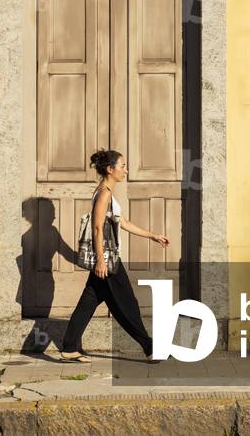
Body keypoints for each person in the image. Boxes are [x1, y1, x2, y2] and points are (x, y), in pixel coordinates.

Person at [59, 149, 170, 363]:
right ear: (111, 169)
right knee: (127, 305)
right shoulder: (104, 193)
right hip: (108, 260)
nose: (126, 170)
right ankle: (150, 348)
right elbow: (98, 228)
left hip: (107, 258)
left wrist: (152, 235)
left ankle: (70, 347)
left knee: (88, 302)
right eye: (123, 166)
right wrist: (100, 260)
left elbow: (123, 222)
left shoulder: (106, 191)